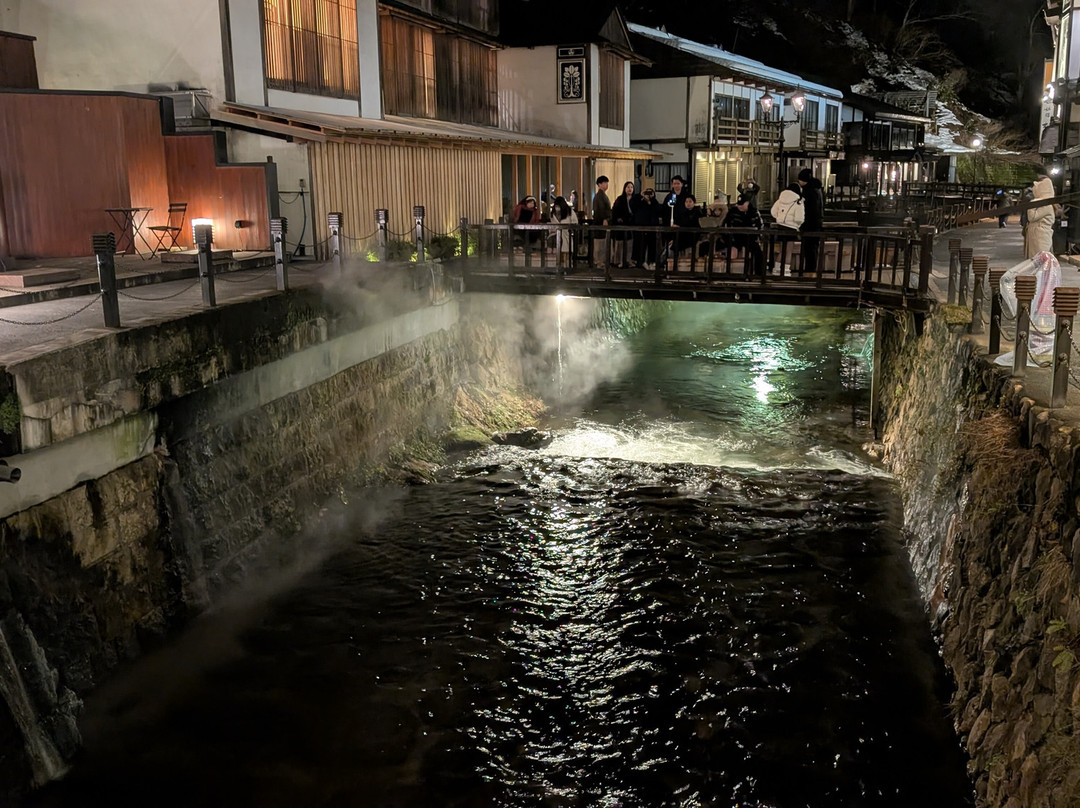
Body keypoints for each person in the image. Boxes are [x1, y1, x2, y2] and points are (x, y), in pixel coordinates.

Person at [722, 194, 765, 275]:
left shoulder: (754, 212)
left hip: (751, 238)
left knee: (758, 253)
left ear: (748, 203)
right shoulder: (732, 212)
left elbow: (760, 226)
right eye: (738, 204)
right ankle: (730, 274)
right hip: (735, 237)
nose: (739, 206)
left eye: (742, 204)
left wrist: (758, 237)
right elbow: (725, 225)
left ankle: (758, 275)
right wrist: (728, 239)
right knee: (731, 252)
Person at [796, 168, 824, 274]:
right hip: (817, 223)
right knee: (813, 248)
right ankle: (811, 270)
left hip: (809, 224)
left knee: (809, 248)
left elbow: (807, 209)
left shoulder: (807, 192)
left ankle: (809, 270)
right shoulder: (817, 190)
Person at [1025, 169, 1056, 258]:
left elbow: (1032, 217)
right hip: (1038, 234)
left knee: (1040, 260)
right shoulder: (1044, 202)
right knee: (1037, 260)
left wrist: (1032, 204)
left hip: (1040, 236)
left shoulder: (1046, 204)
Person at [632, 187, 661, 268]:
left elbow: (659, 210)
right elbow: (633, 206)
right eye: (647, 193)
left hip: (653, 227)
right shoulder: (640, 202)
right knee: (641, 245)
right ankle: (641, 261)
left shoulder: (654, 202)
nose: (648, 195)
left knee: (652, 245)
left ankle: (652, 261)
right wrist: (640, 196)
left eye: (650, 193)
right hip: (641, 226)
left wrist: (652, 200)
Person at [611, 181, 637, 269]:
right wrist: (618, 218)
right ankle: (619, 261)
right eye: (628, 187)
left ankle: (628, 260)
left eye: (631, 187)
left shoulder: (635, 199)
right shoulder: (620, 199)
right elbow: (614, 211)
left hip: (631, 224)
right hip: (621, 224)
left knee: (629, 244)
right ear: (624, 188)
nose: (630, 189)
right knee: (620, 244)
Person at [549, 195, 578, 267]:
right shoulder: (553, 214)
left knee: (566, 252)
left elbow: (575, 222)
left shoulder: (570, 212)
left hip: (566, 234)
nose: (557, 208)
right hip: (556, 235)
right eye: (556, 206)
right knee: (559, 252)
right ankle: (560, 267)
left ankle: (567, 267)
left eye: (558, 206)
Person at [592, 175, 612, 268]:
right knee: (600, 244)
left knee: (602, 243)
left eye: (607, 183)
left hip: (603, 221)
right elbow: (600, 210)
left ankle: (601, 261)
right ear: (599, 184)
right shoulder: (599, 196)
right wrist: (605, 219)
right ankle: (599, 261)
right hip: (600, 222)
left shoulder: (602, 195)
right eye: (604, 183)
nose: (606, 185)